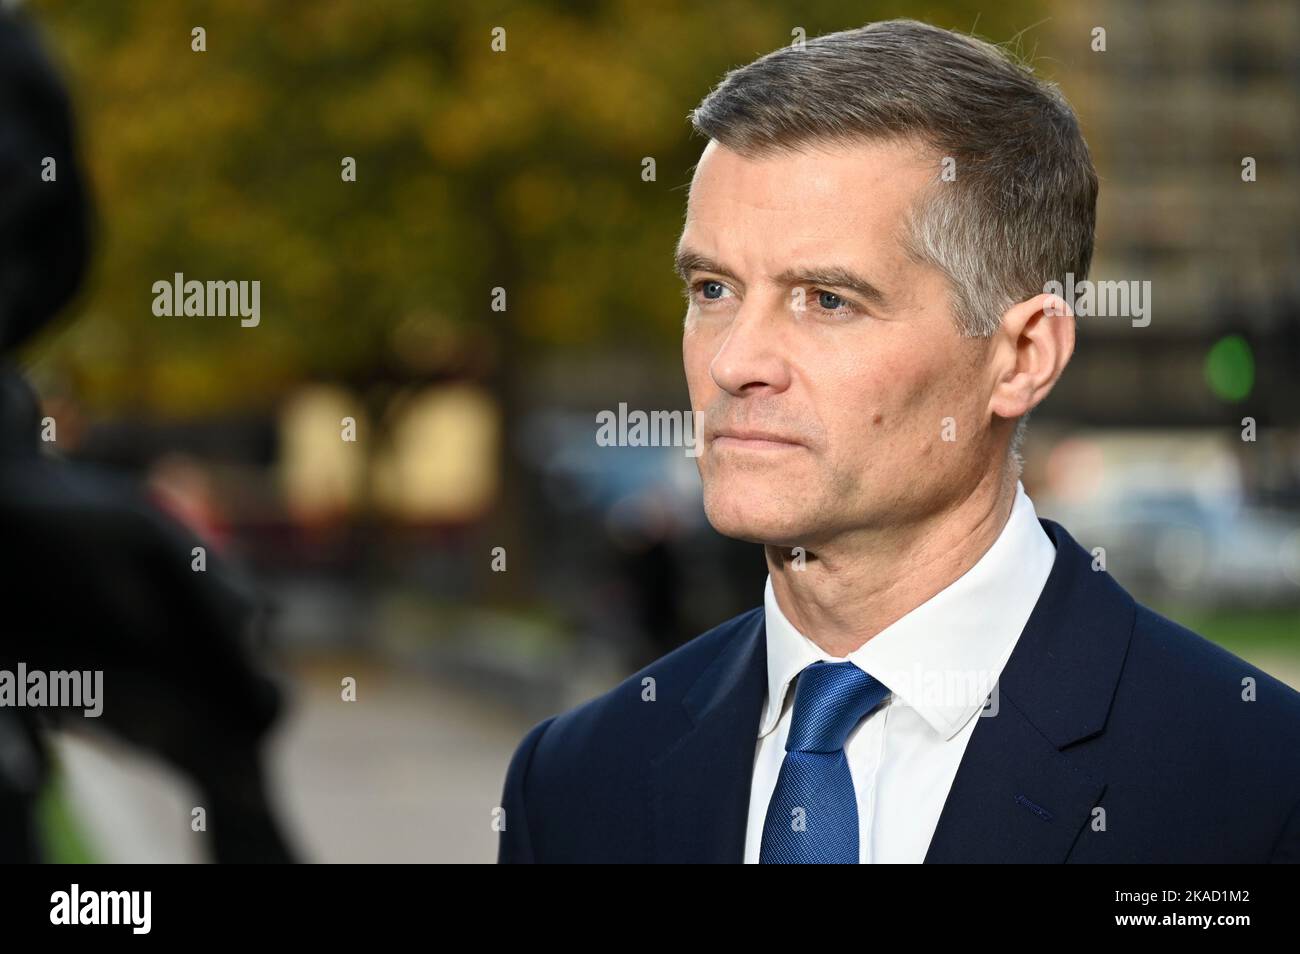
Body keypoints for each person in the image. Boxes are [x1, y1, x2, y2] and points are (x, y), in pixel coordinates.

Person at [497, 19, 1300, 863]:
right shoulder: (576, 783)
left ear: (1022, 356)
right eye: (712, 288)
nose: (735, 362)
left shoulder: (1256, 792)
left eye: (827, 299)